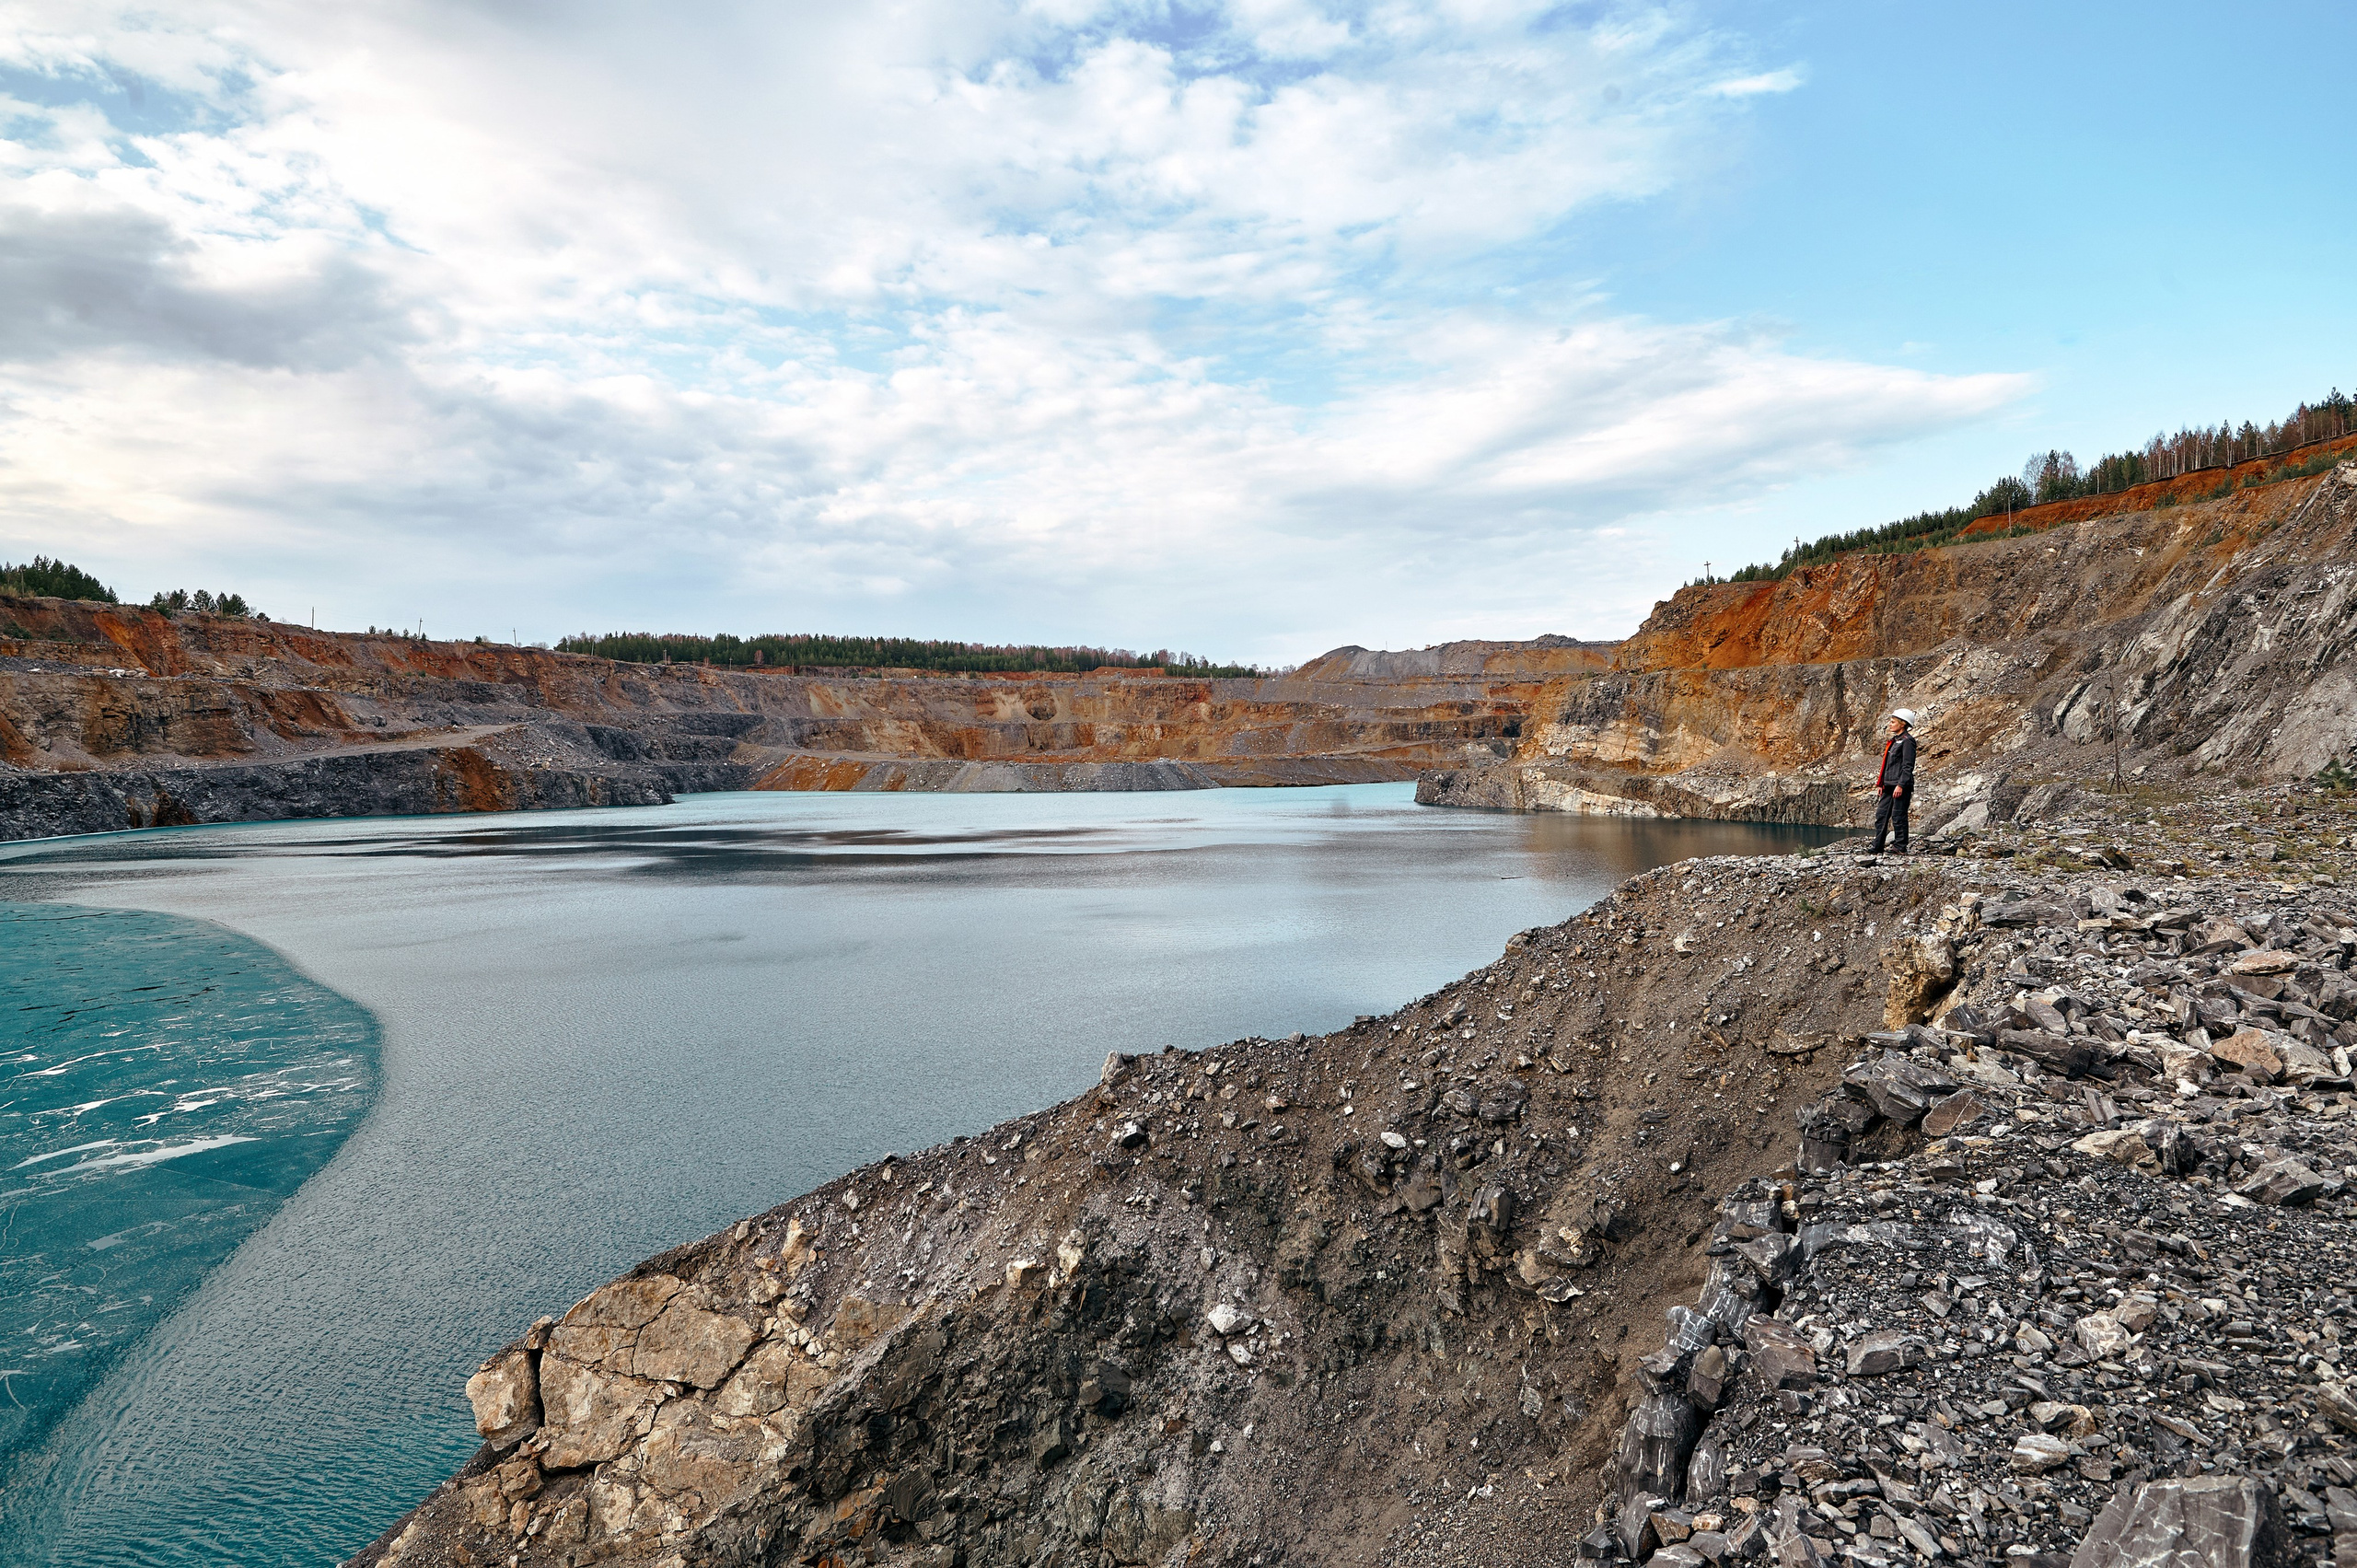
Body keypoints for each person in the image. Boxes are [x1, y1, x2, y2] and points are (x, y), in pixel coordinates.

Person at [1871, 709, 1919, 854]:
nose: (1889, 725)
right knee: (1881, 815)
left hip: (1900, 786)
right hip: (1888, 785)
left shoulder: (1908, 741)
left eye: (1893, 722)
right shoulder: (1894, 741)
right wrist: (1881, 784)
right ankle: (1877, 846)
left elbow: (1907, 766)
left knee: (1898, 816)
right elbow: (1887, 765)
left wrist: (1901, 785)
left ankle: (1900, 847)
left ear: (1903, 724)